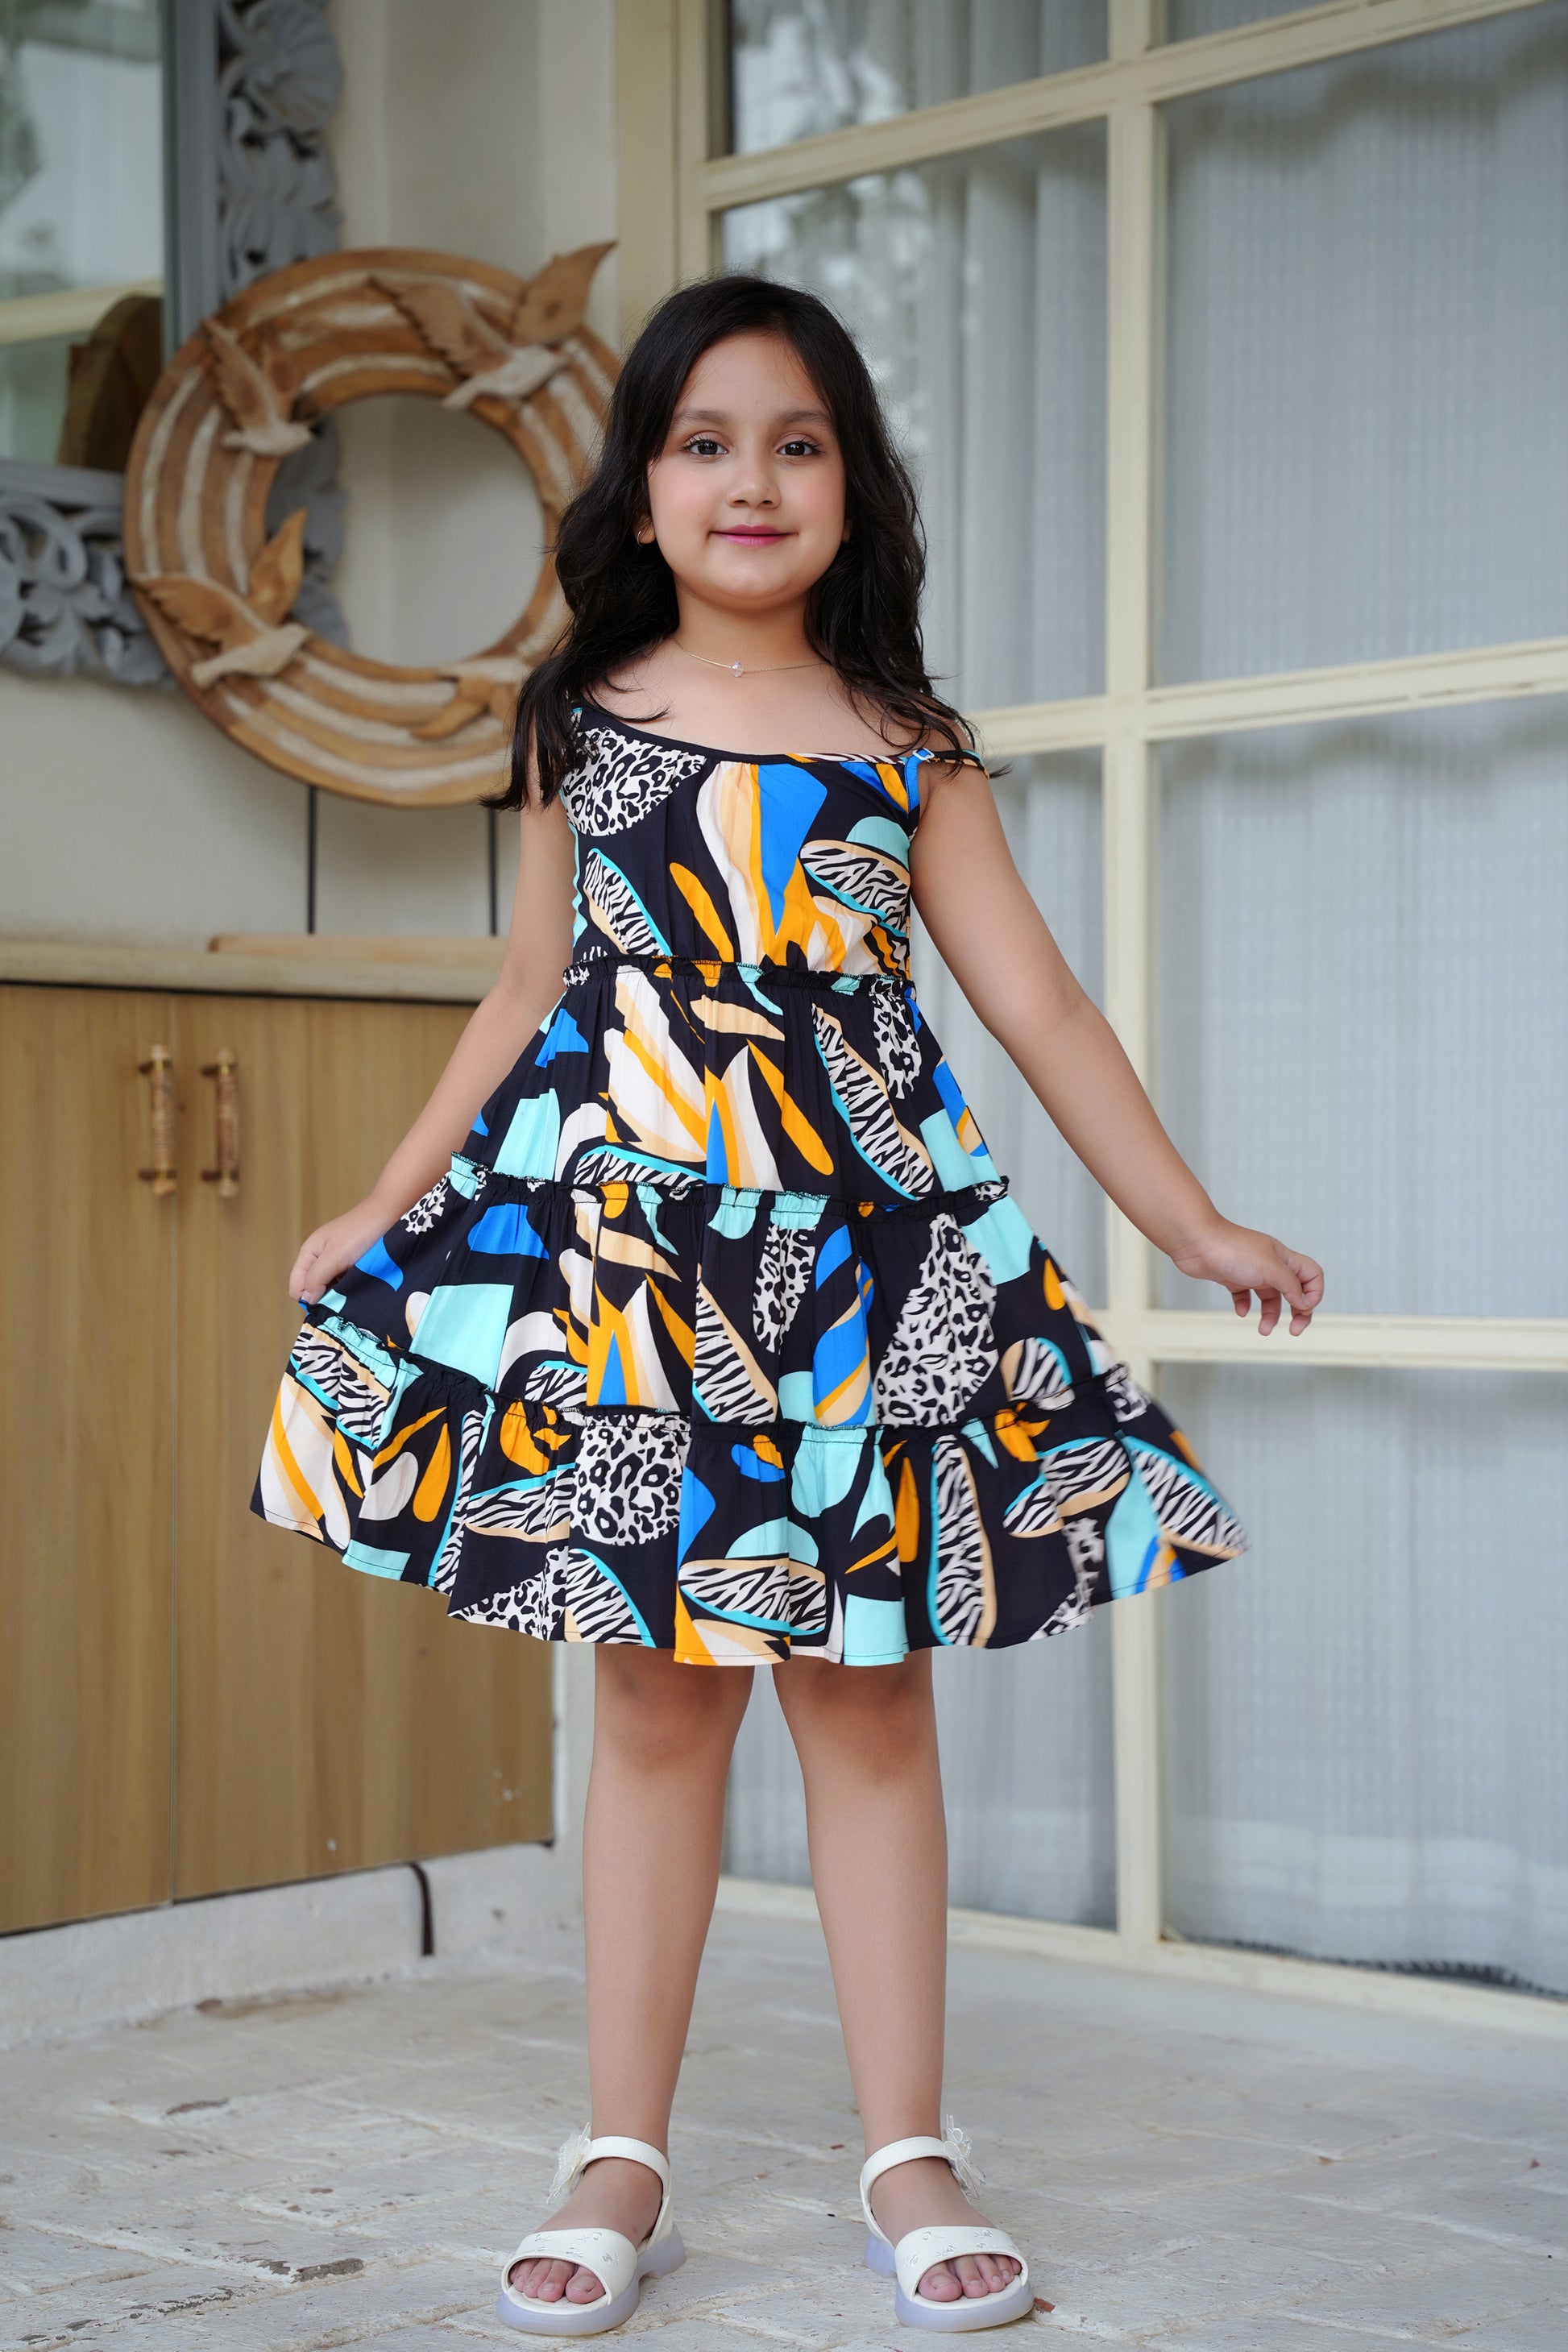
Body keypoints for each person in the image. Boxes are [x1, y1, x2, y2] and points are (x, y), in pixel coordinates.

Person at [254, 274, 1323, 2337]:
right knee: (659, 1699)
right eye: (706, 441)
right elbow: (524, 991)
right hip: (630, 1275)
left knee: (867, 1694)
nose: (751, 479)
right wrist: (386, 1197)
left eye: (798, 441)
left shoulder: (910, 748)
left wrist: (1188, 1219)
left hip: (859, 1270)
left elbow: (1041, 1007)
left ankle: (906, 2145)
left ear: (856, 487)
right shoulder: (582, 721)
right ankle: (619, 2149)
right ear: (643, 489)